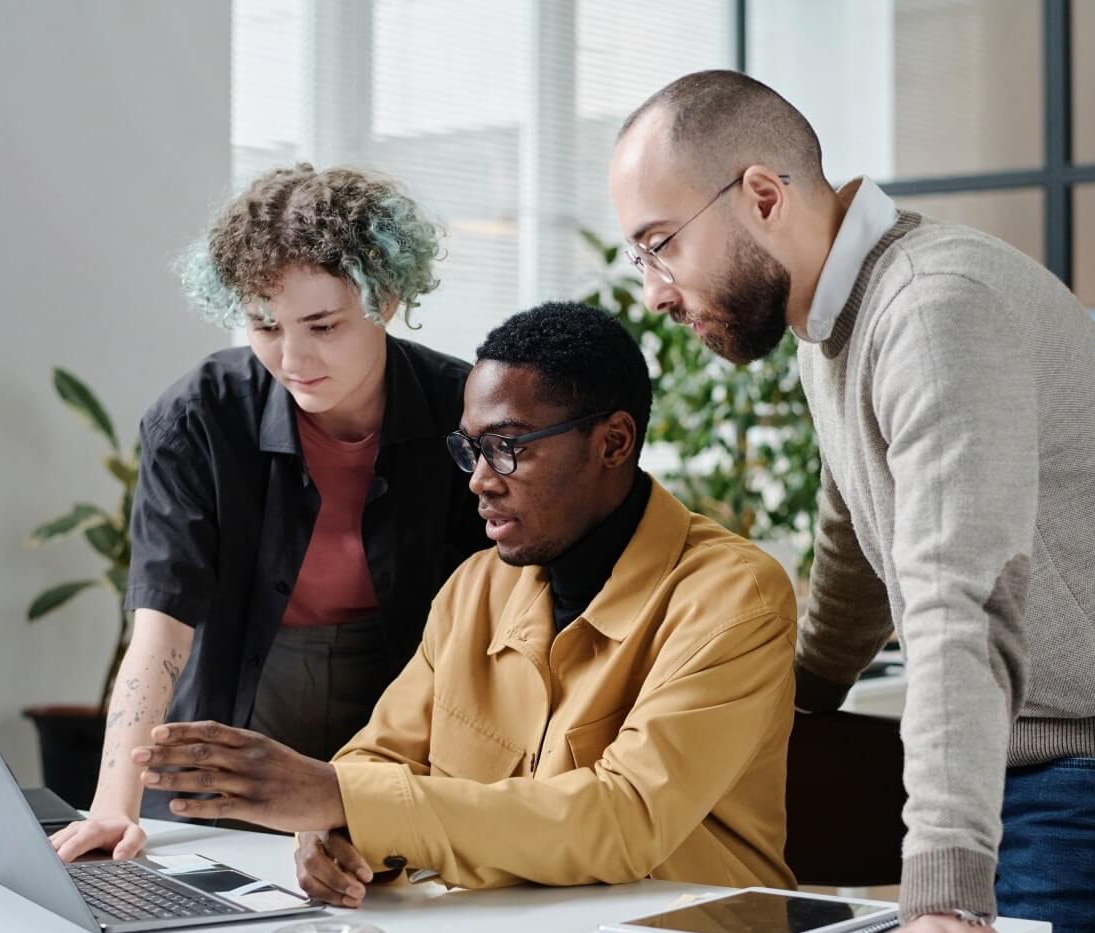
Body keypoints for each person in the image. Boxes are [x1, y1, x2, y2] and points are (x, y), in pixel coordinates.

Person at [609, 70, 1095, 933]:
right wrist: (798, 699)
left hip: (1093, 762)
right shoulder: (836, 323)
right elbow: (856, 541)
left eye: (659, 245)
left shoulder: (932, 310)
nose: (653, 292)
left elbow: (963, 595)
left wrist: (947, 895)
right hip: (1027, 745)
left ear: (763, 196)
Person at [125, 301, 799, 900]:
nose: (479, 480)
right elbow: (379, 758)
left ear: (613, 442)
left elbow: (624, 819)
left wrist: (338, 798)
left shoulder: (735, 598)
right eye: (471, 449)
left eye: (507, 448)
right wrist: (330, 832)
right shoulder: (476, 588)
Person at [50, 163, 487, 863]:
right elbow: (161, 629)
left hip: (400, 716)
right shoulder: (198, 414)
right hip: (233, 716)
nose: (293, 357)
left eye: (323, 325)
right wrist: (111, 808)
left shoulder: (461, 409)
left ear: (388, 298)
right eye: (264, 324)